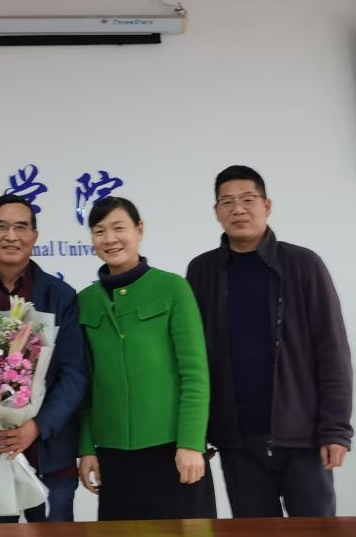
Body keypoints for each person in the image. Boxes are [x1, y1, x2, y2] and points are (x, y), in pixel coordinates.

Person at [186, 165, 353, 517]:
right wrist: (196, 432)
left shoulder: (303, 265)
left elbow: (332, 351)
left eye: (248, 199)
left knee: (317, 532)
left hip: (302, 437)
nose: (238, 209)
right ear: (216, 211)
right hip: (237, 440)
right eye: (227, 202)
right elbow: (193, 357)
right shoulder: (202, 271)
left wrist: (336, 430)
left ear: (267, 205)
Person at [0, 194, 87, 523]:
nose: (11, 236)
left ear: (34, 236)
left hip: (50, 454)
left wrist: (38, 426)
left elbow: (74, 374)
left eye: (21, 227)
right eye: (1, 226)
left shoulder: (61, 295)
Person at [77, 195, 215, 520]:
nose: (110, 239)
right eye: (99, 231)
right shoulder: (85, 301)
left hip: (173, 450)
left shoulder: (173, 288)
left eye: (119, 228)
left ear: (139, 230)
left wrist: (191, 443)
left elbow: (195, 374)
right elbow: (84, 384)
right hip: (113, 455)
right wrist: (86, 448)